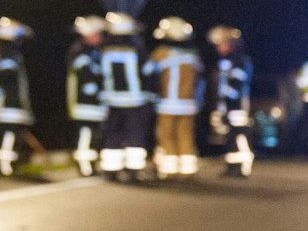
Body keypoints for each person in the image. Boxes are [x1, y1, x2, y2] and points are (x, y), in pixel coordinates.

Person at [97, 11, 154, 181]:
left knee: (112, 134)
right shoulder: (136, 48)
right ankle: (133, 170)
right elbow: (148, 71)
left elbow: (99, 74)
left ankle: (111, 169)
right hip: (135, 101)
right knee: (135, 135)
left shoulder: (104, 49)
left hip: (112, 100)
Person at [147, 17, 203, 178]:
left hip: (166, 104)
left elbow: (147, 73)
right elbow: (201, 79)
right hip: (189, 105)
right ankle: (188, 169)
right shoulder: (194, 56)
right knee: (185, 135)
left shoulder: (160, 54)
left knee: (166, 135)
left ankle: (170, 169)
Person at [0, 17, 34, 175]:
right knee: (9, 133)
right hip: (8, 105)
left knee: (1, 132)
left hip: (2, 105)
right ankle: (5, 166)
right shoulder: (9, 56)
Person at [203, 26, 256, 177]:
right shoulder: (225, 62)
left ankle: (242, 168)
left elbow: (236, 86)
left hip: (237, 107)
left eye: (222, 44)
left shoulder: (239, 61)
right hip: (227, 106)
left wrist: (225, 99)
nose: (219, 47)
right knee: (230, 138)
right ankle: (232, 167)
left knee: (240, 136)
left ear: (232, 44)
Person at [66, 15, 108, 176]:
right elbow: (86, 78)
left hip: (95, 103)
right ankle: (84, 165)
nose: (100, 37)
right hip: (84, 102)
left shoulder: (95, 51)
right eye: (98, 33)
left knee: (94, 133)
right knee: (85, 132)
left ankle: (90, 163)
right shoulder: (80, 52)